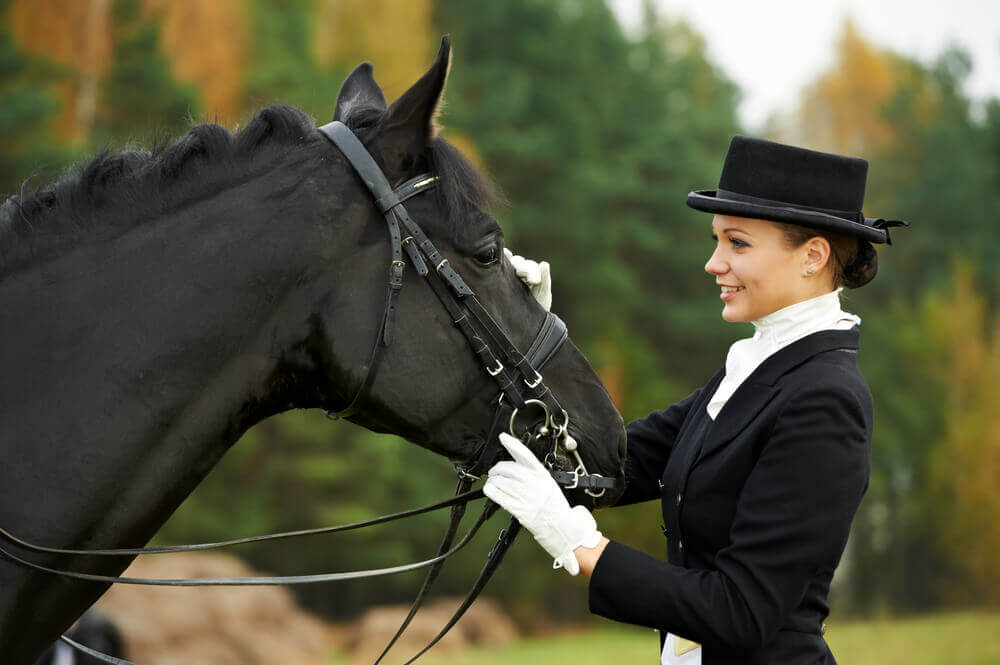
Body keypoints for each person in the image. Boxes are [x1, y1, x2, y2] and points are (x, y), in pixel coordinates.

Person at [486, 135, 908, 665]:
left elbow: (742, 609)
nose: (713, 263)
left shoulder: (825, 399)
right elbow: (610, 461)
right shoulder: (753, 366)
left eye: (737, 244)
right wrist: (531, 337)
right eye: (717, 241)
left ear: (813, 256)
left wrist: (582, 547)